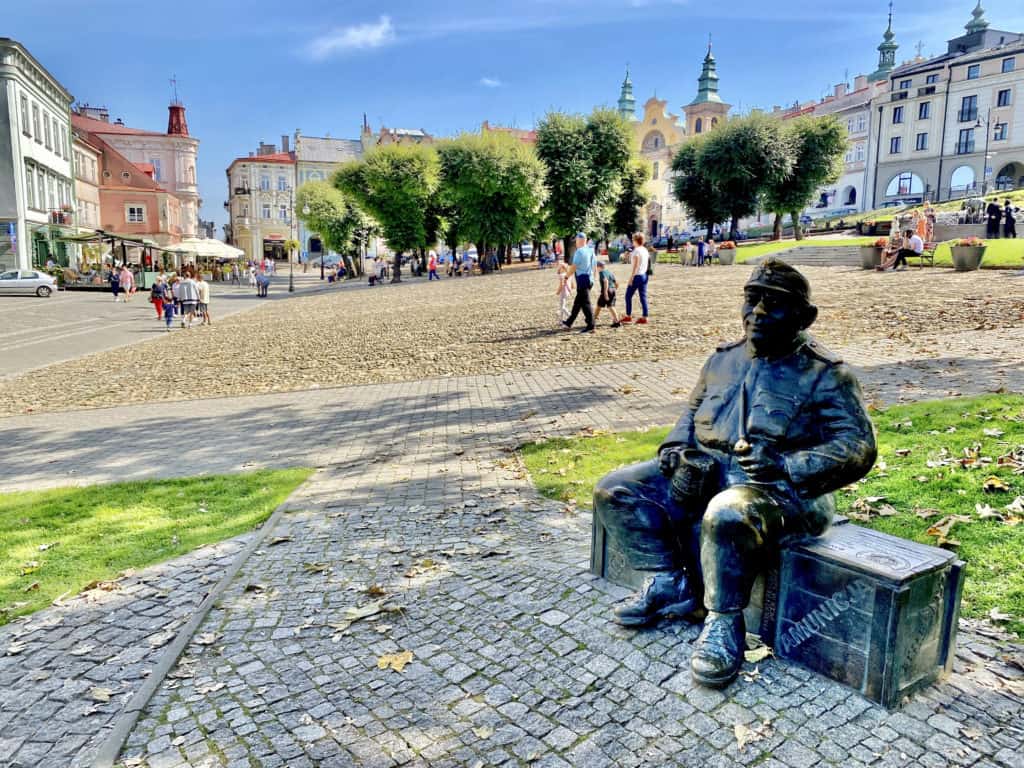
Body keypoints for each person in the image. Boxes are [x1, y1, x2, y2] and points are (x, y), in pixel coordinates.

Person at [593, 258, 876, 688]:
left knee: (726, 514)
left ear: (804, 317)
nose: (759, 311)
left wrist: (787, 465)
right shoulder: (721, 360)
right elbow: (689, 417)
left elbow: (858, 447)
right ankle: (669, 581)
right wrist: (675, 452)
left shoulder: (826, 374)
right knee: (615, 490)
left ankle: (725, 623)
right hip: (709, 475)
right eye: (753, 298)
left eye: (775, 303)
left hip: (782, 493)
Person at [562, 233, 596, 333]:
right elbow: (594, 266)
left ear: (580, 240)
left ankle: (591, 325)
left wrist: (567, 276)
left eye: (576, 240)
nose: (575, 243)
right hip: (589, 279)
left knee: (585, 303)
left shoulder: (579, 252)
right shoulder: (591, 251)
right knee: (578, 303)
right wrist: (593, 278)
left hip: (582, 279)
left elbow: (573, 267)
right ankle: (569, 323)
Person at [621, 233, 650, 325]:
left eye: (633, 240)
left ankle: (628, 316)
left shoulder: (636, 251)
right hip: (644, 275)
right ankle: (645, 316)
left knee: (628, 296)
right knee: (643, 297)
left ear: (635, 240)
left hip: (637, 275)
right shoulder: (644, 250)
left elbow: (636, 265)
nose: (632, 241)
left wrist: (631, 277)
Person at [594, 260, 621, 328]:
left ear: (599, 267)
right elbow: (616, 282)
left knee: (608, 306)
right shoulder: (609, 272)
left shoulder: (602, 273)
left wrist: (605, 293)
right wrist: (615, 288)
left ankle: (617, 321)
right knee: (601, 305)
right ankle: (594, 317)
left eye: (596, 267)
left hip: (606, 291)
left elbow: (605, 281)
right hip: (612, 290)